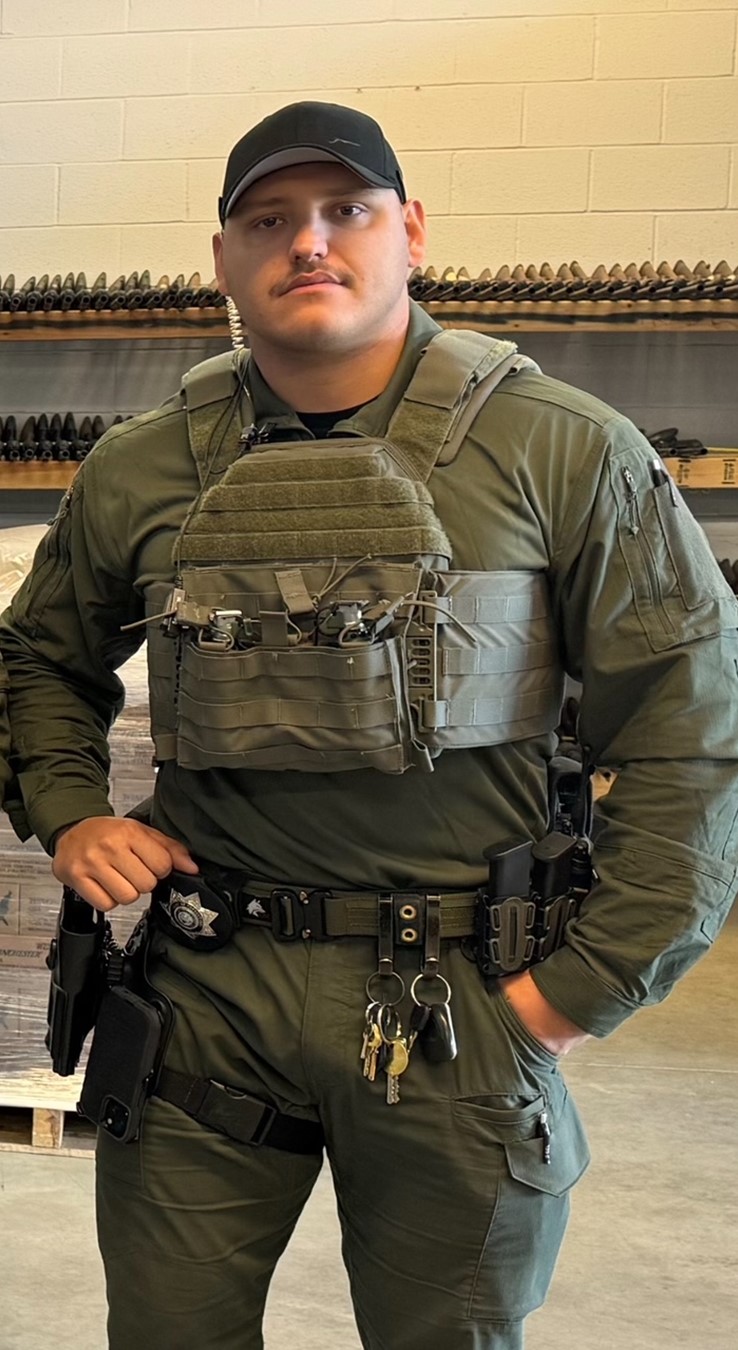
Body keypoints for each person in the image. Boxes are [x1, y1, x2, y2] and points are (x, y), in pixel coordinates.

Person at [2, 101, 737, 1350]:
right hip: (207, 989)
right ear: (223, 258)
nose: (308, 242)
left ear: (412, 233)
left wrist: (575, 992)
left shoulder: (567, 453)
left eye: (346, 210)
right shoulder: (139, 467)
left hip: (458, 997)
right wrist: (70, 813)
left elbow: (693, 731)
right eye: (268, 220)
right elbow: (35, 659)